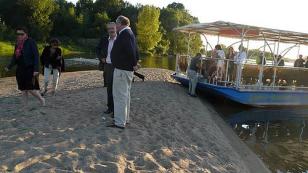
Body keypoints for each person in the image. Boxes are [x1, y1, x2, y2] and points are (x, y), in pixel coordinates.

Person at [109, 15, 139, 129]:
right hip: (125, 70)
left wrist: (134, 64)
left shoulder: (125, 34)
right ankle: (124, 119)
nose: (115, 26)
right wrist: (135, 62)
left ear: (121, 23)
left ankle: (119, 122)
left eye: (116, 23)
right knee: (125, 95)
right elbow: (136, 49)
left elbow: (131, 51)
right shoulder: (129, 33)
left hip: (122, 70)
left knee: (119, 96)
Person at [4, 27, 45, 108]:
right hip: (20, 69)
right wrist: (9, 67)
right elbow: (15, 57)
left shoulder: (31, 42)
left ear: (26, 34)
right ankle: (25, 106)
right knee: (23, 89)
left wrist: (36, 69)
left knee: (30, 88)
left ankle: (41, 99)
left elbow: (36, 56)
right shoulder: (17, 44)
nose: (19, 36)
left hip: (30, 68)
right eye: (18, 34)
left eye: (21, 34)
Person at [96, 22, 117, 115]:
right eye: (109, 29)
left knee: (117, 88)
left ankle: (117, 108)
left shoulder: (120, 39)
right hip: (108, 66)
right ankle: (110, 108)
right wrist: (101, 58)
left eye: (112, 28)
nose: (111, 30)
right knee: (109, 88)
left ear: (116, 28)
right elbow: (97, 49)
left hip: (119, 66)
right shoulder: (104, 39)